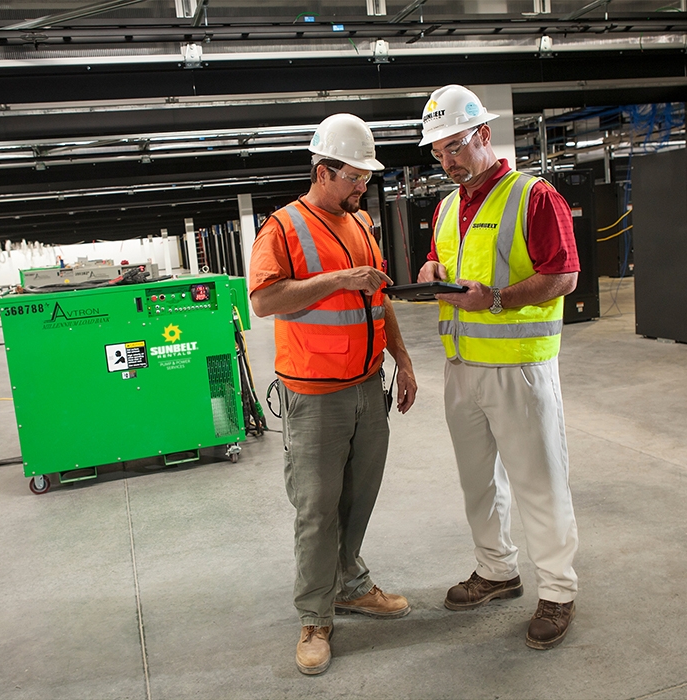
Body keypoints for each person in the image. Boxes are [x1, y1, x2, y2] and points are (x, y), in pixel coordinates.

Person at [248, 113, 419, 676]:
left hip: (368, 387)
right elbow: (266, 302)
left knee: (358, 497)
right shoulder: (282, 228)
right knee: (317, 509)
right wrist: (341, 281)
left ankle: (350, 584)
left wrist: (404, 358)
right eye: (354, 176)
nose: (362, 186)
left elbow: (381, 299)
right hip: (315, 396)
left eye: (366, 178)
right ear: (324, 172)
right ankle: (314, 616)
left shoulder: (360, 223)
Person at [416, 85, 581, 650]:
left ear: (483, 134)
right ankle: (496, 570)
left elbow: (564, 276)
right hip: (461, 366)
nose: (447, 159)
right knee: (478, 482)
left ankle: (558, 590)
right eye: (437, 152)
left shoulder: (532, 196)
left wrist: (494, 299)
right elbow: (452, 262)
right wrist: (435, 267)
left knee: (540, 482)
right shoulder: (445, 206)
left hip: (518, 368)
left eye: (454, 145)